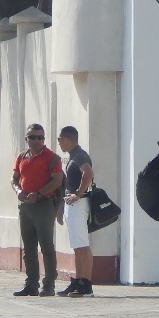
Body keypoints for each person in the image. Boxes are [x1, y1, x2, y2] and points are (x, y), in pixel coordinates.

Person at [10, 123, 64, 296]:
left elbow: (57, 181)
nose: (36, 140)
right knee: (28, 248)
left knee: (46, 246)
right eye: (32, 137)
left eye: (40, 137)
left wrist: (39, 194)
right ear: (26, 139)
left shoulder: (52, 158)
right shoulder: (21, 157)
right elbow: (14, 178)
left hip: (44, 205)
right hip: (25, 205)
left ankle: (49, 285)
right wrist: (19, 191)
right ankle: (31, 284)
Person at [56, 126, 95, 297]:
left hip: (79, 204)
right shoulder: (73, 156)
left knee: (81, 245)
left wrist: (78, 194)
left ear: (69, 139)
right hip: (71, 205)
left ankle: (86, 284)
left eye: (60, 139)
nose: (59, 143)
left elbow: (88, 173)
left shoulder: (80, 156)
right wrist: (61, 208)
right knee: (77, 245)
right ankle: (79, 280)